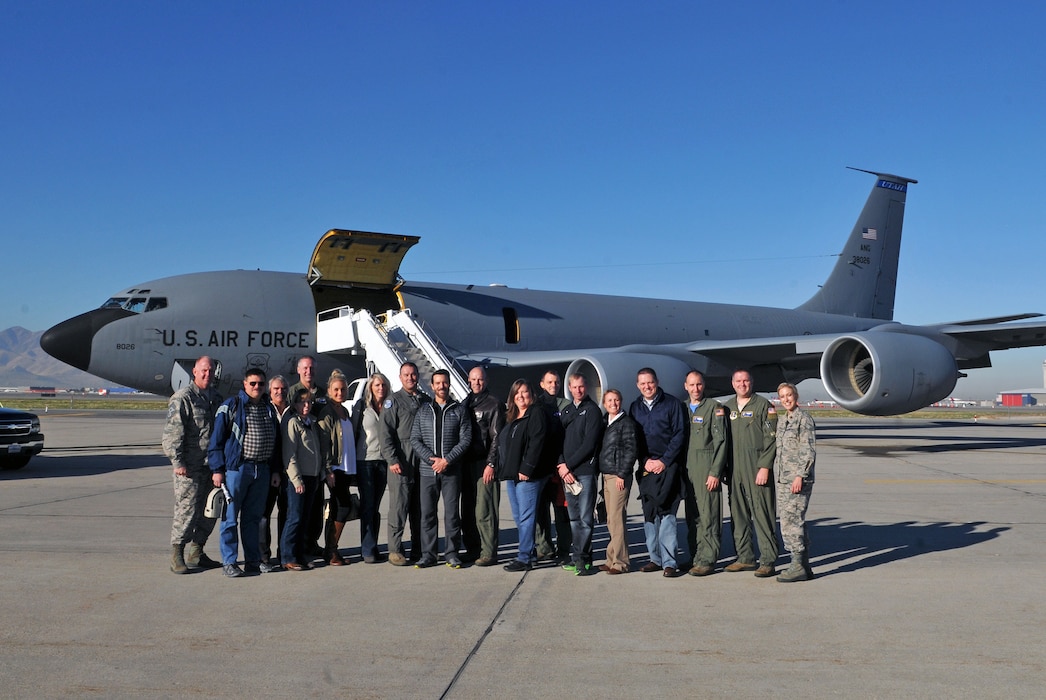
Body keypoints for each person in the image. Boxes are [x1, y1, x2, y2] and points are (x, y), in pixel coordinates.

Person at [208, 368, 283, 578]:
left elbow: (276, 443)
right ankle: (229, 561)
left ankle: (253, 560)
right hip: (237, 469)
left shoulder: (268, 408)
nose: (256, 387)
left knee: (253, 519)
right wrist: (217, 470)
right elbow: (216, 440)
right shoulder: (232, 406)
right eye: (253, 383)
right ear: (244, 384)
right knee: (230, 518)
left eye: (260, 384)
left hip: (263, 470)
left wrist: (275, 470)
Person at [163, 355, 223, 574]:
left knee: (210, 510)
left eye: (210, 371)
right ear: (195, 372)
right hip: (189, 467)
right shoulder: (183, 398)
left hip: (212, 466)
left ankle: (197, 551)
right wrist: (177, 462)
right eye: (203, 370)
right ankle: (177, 553)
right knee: (186, 511)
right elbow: (171, 434)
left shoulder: (216, 399)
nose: (207, 374)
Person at [409, 369, 472, 568]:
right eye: (438, 383)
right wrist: (432, 460)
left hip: (451, 471)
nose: (441, 386)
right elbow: (415, 439)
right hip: (428, 472)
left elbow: (466, 439)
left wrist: (447, 460)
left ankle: (452, 553)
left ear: (449, 384)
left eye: (444, 382)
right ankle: (429, 554)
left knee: (452, 514)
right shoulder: (423, 410)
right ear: (432, 385)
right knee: (427, 513)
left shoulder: (459, 410)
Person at [629, 367, 687, 577]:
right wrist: (644, 461)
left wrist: (664, 460)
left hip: (668, 467)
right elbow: (634, 438)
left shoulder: (672, 404)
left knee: (667, 514)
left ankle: (669, 562)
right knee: (649, 516)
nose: (647, 386)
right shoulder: (635, 407)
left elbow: (679, 434)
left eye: (650, 382)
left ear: (657, 381)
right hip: (646, 468)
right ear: (638, 385)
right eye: (643, 383)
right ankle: (654, 558)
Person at [723, 369, 779, 578]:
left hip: (756, 468)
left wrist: (765, 466)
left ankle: (767, 559)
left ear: (752, 383)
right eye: (738, 381)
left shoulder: (763, 405)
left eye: (746, 380)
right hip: (734, 470)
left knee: (762, 514)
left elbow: (771, 438)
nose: (742, 384)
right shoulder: (726, 408)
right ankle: (744, 557)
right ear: (732, 383)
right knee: (738, 515)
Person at [496, 379, 552, 572]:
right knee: (519, 516)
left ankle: (524, 557)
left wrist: (527, 469)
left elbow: (537, 442)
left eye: (525, 392)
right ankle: (529, 550)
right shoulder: (511, 416)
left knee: (527, 516)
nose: (521, 396)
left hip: (528, 475)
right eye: (517, 393)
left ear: (532, 394)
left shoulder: (536, 413)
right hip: (512, 475)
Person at [380, 362, 430, 566]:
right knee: (399, 507)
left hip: (422, 459)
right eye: (406, 375)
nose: (410, 378)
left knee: (421, 507)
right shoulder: (393, 402)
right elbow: (385, 434)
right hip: (402, 458)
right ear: (400, 378)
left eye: (413, 374)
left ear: (418, 376)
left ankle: (419, 547)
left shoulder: (425, 400)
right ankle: (395, 549)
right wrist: (392, 459)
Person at [556, 373, 604, 575]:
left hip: (584, 471)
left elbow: (589, 444)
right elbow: (557, 440)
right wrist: (561, 464)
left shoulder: (592, 411)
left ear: (587, 387)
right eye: (574, 387)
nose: (578, 390)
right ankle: (578, 556)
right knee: (573, 519)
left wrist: (569, 465)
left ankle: (583, 560)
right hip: (567, 473)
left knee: (585, 519)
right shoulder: (566, 411)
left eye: (581, 387)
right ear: (569, 388)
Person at [682, 370, 729, 577]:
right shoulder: (682, 408)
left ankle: (708, 559)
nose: (695, 389)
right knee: (693, 517)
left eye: (699, 385)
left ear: (704, 385)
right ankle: (695, 555)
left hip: (706, 468)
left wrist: (715, 472)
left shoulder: (714, 408)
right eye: (692, 385)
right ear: (686, 386)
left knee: (709, 515)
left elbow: (721, 442)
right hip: (688, 469)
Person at [281, 388, 333, 571]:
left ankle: (301, 555)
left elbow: (317, 451)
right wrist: (296, 480)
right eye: (302, 402)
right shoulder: (293, 423)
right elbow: (290, 454)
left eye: (309, 402)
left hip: (313, 477)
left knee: (305, 519)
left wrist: (321, 473)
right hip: (299, 479)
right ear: (295, 404)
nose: (306, 405)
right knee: (294, 518)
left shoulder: (311, 423)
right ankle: (287, 556)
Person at [461, 366, 505, 566]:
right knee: (468, 510)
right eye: (473, 379)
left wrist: (491, 463)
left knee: (484, 510)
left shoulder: (493, 404)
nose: (476, 383)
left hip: (484, 463)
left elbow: (497, 437)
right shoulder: (466, 403)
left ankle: (488, 551)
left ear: (485, 381)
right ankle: (472, 549)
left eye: (480, 379)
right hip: (466, 463)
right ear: (469, 381)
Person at [774, 382, 816, 583]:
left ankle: (797, 564)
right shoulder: (784, 421)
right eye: (782, 396)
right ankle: (804, 565)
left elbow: (808, 451)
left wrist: (800, 475)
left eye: (789, 395)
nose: (786, 399)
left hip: (797, 480)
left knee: (791, 522)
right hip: (784, 480)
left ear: (795, 396)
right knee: (792, 520)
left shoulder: (803, 419)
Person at [316, 372, 358, 566]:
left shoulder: (344, 411)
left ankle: (330, 549)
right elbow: (324, 442)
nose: (340, 392)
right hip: (335, 467)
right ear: (329, 391)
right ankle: (331, 550)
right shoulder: (328, 413)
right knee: (342, 506)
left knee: (338, 506)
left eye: (343, 389)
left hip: (347, 466)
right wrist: (328, 469)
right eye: (336, 390)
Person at [351, 372, 391, 564]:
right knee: (367, 505)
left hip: (384, 462)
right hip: (365, 461)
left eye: (383, 385)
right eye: (377, 385)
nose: (380, 388)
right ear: (371, 388)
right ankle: (367, 550)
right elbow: (352, 434)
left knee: (375, 507)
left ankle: (372, 546)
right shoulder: (361, 408)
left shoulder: (390, 407)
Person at [291, 355, 327, 558]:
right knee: (297, 510)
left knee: (316, 507)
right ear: (298, 370)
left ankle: (312, 543)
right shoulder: (292, 392)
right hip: (300, 457)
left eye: (311, 368)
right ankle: (296, 547)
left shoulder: (322, 392)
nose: (308, 371)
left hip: (318, 457)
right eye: (305, 368)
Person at [534, 369, 571, 564]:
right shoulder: (536, 405)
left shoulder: (566, 405)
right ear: (542, 384)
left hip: (559, 469)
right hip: (541, 468)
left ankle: (564, 549)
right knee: (541, 511)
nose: (553, 385)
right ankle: (544, 548)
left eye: (556, 382)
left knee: (561, 510)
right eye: (549, 382)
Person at [598, 389, 636, 575]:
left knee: (617, 518)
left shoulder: (626, 423)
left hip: (618, 476)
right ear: (604, 403)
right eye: (610, 400)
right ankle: (611, 558)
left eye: (617, 400)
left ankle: (621, 562)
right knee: (610, 519)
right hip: (606, 475)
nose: (613, 403)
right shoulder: (606, 422)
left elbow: (630, 450)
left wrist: (622, 473)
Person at [259, 375, 291, 568]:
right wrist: (274, 471)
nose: (280, 392)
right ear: (270, 392)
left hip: (290, 472)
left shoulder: (292, 411)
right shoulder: (265, 410)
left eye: (283, 388)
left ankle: (285, 553)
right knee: (264, 515)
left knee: (287, 515)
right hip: (268, 471)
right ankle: (264, 555)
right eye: (276, 389)